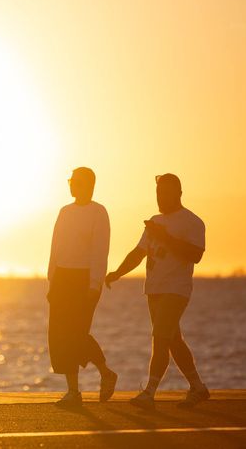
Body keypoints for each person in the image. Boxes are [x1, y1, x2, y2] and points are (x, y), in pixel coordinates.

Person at [106, 173, 208, 409]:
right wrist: (117, 273)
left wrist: (166, 238)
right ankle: (198, 387)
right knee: (173, 341)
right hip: (154, 289)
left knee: (160, 338)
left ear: (179, 194)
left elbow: (195, 255)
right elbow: (138, 252)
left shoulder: (192, 222)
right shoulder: (154, 221)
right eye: (158, 193)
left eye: (166, 193)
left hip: (176, 290)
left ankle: (149, 392)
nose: (160, 198)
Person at [47, 167, 117, 408]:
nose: (71, 185)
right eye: (70, 181)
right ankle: (73, 392)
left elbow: (100, 250)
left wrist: (95, 283)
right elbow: (55, 247)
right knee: (61, 336)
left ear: (87, 184)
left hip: (84, 279)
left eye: (75, 181)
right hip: (62, 278)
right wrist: (52, 280)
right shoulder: (65, 212)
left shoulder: (98, 213)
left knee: (76, 334)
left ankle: (106, 373)